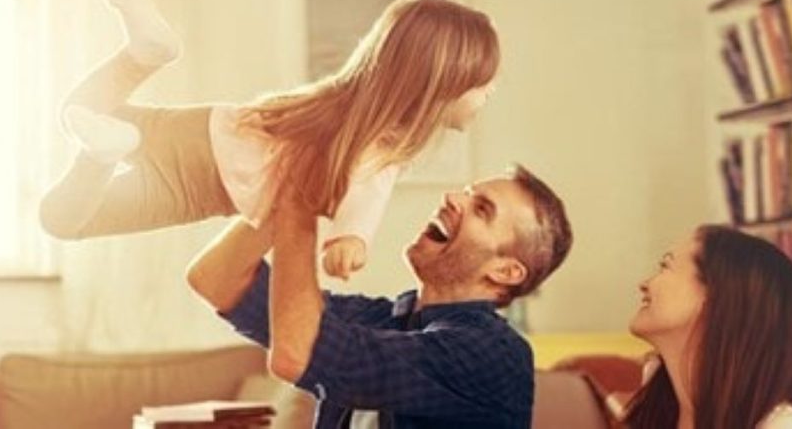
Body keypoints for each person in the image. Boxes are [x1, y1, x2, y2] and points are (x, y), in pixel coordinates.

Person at [38, 0, 499, 278]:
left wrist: (348, 235)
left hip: (205, 130)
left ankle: (143, 60)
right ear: (442, 85)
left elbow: (360, 189)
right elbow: (366, 195)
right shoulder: (380, 145)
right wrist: (351, 240)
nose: (488, 95)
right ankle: (102, 149)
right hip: (201, 188)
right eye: (482, 85)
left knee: (79, 121)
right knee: (63, 220)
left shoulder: (340, 104)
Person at [186, 165, 573, 428]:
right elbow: (215, 279)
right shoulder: (387, 320)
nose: (454, 198)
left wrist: (299, 202)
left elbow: (295, 354)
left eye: (482, 210)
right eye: (468, 193)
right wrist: (298, 170)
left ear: (505, 271)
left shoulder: (491, 354)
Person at [625, 225, 792, 429]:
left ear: (714, 296)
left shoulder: (785, 425)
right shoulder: (657, 401)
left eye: (664, 266)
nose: (645, 283)